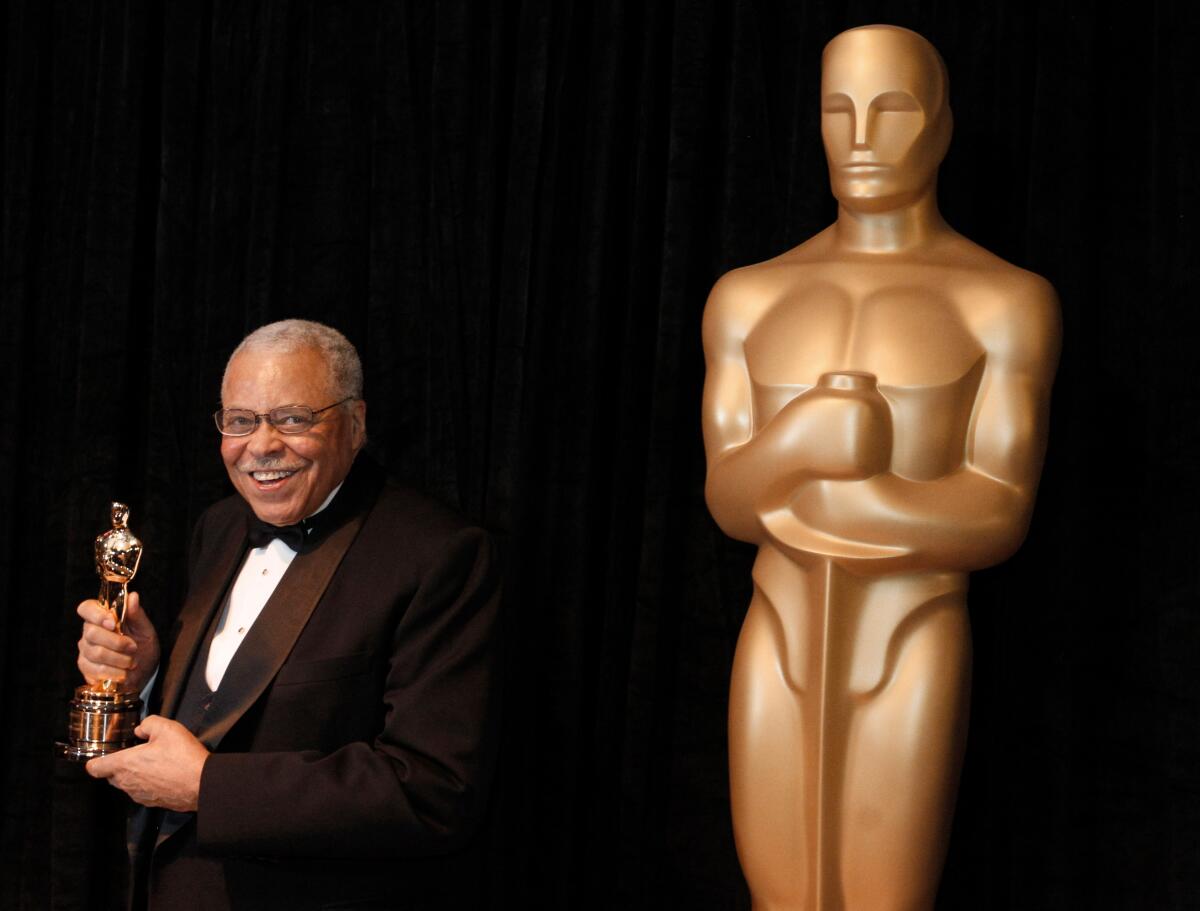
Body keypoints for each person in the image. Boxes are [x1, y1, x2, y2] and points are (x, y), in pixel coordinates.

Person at [701, 25, 1060, 910]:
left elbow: (999, 514)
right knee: (777, 890)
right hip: (777, 624)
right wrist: (799, 445)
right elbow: (728, 500)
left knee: (885, 892)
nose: (861, 137)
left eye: (893, 108)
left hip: (914, 626)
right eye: (838, 109)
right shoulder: (749, 294)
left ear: (940, 126)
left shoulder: (1002, 301)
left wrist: (853, 494)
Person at [76, 319, 501, 910]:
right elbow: (220, 710)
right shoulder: (219, 526)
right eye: (241, 420)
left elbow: (432, 788)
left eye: (294, 418)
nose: (262, 445)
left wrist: (208, 788)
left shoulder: (439, 553)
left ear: (355, 424)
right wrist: (148, 676)